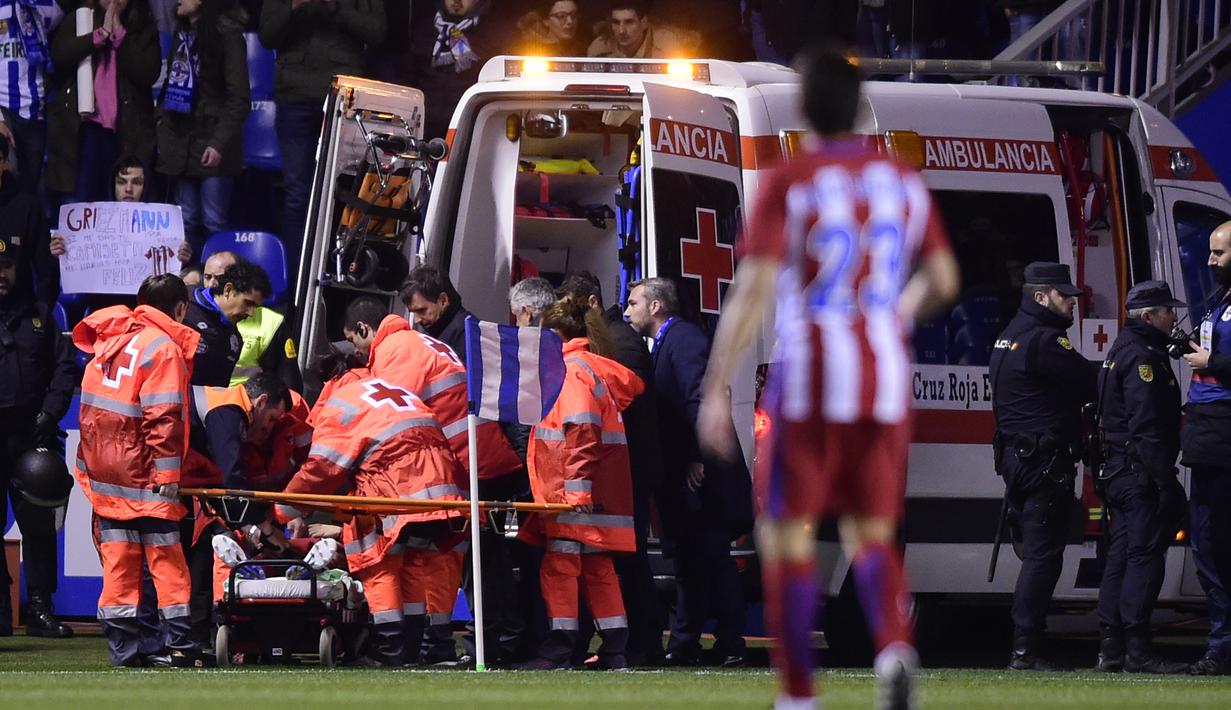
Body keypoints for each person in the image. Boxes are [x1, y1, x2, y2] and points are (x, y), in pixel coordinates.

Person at [696, 47, 959, 710]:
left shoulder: (790, 179)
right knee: (870, 532)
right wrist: (894, 311)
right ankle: (894, 647)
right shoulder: (899, 180)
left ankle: (797, 694)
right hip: (880, 378)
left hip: (806, 374)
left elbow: (752, 291)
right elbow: (944, 280)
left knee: (785, 534)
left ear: (807, 106)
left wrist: (715, 386)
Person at [341, 295, 523, 664]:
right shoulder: (420, 343)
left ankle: (482, 646)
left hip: (461, 463)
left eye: (356, 341)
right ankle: (464, 644)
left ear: (364, 330)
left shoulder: (396, 352)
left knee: (471, 564)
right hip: (475, 458)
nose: (359, 353)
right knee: (466, 561)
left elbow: (389, 419)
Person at [275, 374, 468, 667]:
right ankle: (414, 647)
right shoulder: (395, 390)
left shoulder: (338, 405)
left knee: (379, 564)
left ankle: (390, 647)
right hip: (440, 485)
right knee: (415, 563)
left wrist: (283, 512)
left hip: (395, 486)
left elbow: (322, 468)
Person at [71, 274, 206, 665]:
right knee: (167, 563)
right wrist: (168, 477)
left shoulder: (112, 339)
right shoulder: (163, 348)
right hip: (145, 475)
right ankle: (180, 646)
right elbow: (163, 417)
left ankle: (124, 651)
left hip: (106, 474)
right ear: (180, 309)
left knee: (119, 565)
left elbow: (93, 413)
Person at [624, 276, 750, 667]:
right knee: (689, 561)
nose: (627, 311)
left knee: (712, 558)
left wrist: (698, 454)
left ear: (656, 306)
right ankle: (685, 642)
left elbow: (702, 396)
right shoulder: (668, 343)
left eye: (633, 303)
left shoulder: (685, 340)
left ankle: (731, 643)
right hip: (684, 476)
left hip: (703, 476)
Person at [517, 295, 642, 671]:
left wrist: (575, 488)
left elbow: (582, 428)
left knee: (561, 567)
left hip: (574, 493)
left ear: (555, 335)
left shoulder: (571, 371)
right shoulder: (597, 369)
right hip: (598, 492)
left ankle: (559, 647)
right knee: (597, 568)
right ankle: (615, 649)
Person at [990, 261, 1098, 671]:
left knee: (1037, 555)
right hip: (1043, 462)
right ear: (1041, 297)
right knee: (1043, 558)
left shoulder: (1009, 335)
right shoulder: (1046, 340)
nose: (1072, 302)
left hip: (1019, 459)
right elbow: (1090, 382)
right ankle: (1025, 650)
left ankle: (1026, 646)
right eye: (1064, 295)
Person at [559, 270, 665, 665]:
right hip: (619, 466)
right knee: (615, 561)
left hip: (627, 467)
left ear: (590, 304)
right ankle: (630, 645)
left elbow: (621, 404)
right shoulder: (615, 343)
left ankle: (642, 644)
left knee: (628, 561)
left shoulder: (620, 344)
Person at [1094, 280, 1189, 674]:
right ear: (1148, 316)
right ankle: (1137, 649)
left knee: (1121, 555)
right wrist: (1165, 480)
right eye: (1168, 310)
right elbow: (1147, 424)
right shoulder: (1142, 358)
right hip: (1138, 471)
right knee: (1144, 556)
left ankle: (1111, 648)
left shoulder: (1125, 348)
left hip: (1119, 469)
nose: (1174, 316)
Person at [259, 0, 384, 285]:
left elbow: (377, 33)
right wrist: (293, 6)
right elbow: (267, 35)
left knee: (343, 191)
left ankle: (339, 278)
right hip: (294, 98)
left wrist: (334, 8)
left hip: (344, 96)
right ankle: (296, 287)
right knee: (297, 195)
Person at [0, 232, 78, 638]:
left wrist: (50, 413)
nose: (1, 274)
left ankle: (40, 609)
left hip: (32, 432)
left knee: (39, 524)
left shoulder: (42, 315)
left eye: (7, 266)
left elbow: (65, 370)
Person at [182, 372, 290, 644]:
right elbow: (230, 478)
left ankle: (192, 636)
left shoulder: (224, 407)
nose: (269, 430)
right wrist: (264, 528)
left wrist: (249, 525)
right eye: (272, 419)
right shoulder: (228, 411)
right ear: (261, 401)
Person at [156, 0, 251, 259]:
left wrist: (218, 143)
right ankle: (186, 286)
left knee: (213, 223)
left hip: (212, 144)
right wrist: (161, 124)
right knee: (185, 222)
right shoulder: (183, 32)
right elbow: (170, 85)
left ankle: (217, 286)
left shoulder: (228, 34)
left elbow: (239, 99)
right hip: (181, 142)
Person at [1179, 219, 1231, 676]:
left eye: (1219, 253)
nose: (1210, 261)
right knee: (1208, 544)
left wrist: (1211, 360)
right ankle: (1220, 644)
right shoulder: (1220, 302)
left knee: (1216, 542)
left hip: (1224, 433)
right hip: (1208, 433)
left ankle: (1221, 645)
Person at [46, 0, 160, 207]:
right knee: (80, 203)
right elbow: (59, 56)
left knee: (119, 205)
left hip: (126, 132)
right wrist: (99, 35)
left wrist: (119, 36)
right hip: (84, 129)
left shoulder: (143, 26)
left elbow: (147, 73)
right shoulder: (79, 17)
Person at [195, 251, 303, 392]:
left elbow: (289, 383)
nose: (212, 284)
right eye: (208, 277)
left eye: (219, 278)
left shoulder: (271, 323)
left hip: (246, 403)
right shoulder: (191, 311)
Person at [406, 0, 503, 141]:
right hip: (423, 125)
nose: (457, 1)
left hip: (468, 127)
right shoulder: (426, 29)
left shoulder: (494, 34)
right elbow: (408, 78)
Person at [0, 0, 68, 194]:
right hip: (3, 109)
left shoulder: (46, 7)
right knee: (7, 183)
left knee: (30, 190)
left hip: (34, 111)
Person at [183, 256, 270, 386]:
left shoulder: (234, 340)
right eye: (247, 303)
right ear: (228, 290)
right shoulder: (181, 305)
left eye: (255, 307)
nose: (251, 313)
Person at [0, 133, 58, 304]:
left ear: (5, 163)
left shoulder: (28, 207)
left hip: (18, 314)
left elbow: (45, 270)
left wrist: (42, 313)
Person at [401, 264, 471, 365]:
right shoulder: (436, 328)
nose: (417, 320)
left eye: (422, 310)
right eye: (413, 312)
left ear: (443, 301)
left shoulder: (468, 335)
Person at [586, 0, 692, 59]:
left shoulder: (667, 46)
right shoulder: (599, 49)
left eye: (629, 22)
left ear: (644, 23)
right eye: (616, 23)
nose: (621, 31)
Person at [517, 0, 589, 57]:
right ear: (545, 20)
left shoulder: (587, 46)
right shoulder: (531, 50)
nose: (570, 21)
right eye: (561, 16)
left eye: (574, 15)